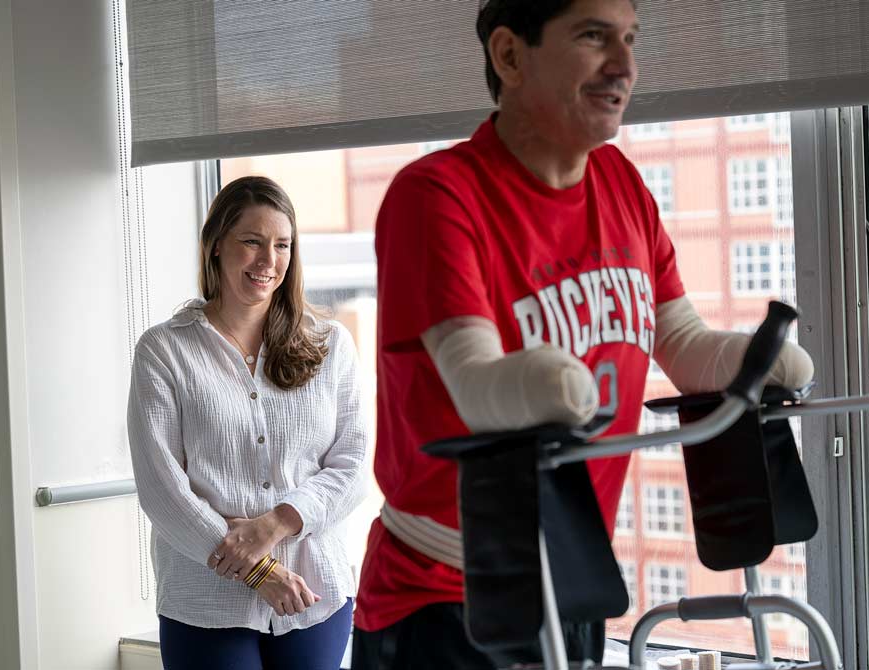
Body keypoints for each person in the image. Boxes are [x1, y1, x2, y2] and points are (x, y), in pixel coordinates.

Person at [352, 0, 815, 668]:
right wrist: (549, 385)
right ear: (510, 55)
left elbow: (680, 340)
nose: (624, 65)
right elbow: (476, 382)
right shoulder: (436, 195)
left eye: (630, 39)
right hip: (448, 599)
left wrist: (750, 362)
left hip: (571, 581)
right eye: (594, 37)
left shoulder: (621, 183)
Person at [128, 175, 367, 670]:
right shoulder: (164, 351)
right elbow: (162, 489)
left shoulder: (331, 344)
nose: (268, 261)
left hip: (314, 595)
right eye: (252, 241)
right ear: (216, 244)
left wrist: (275, 524)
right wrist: (259, 569)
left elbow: (353, 466)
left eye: (282, 245)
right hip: (204, 601)